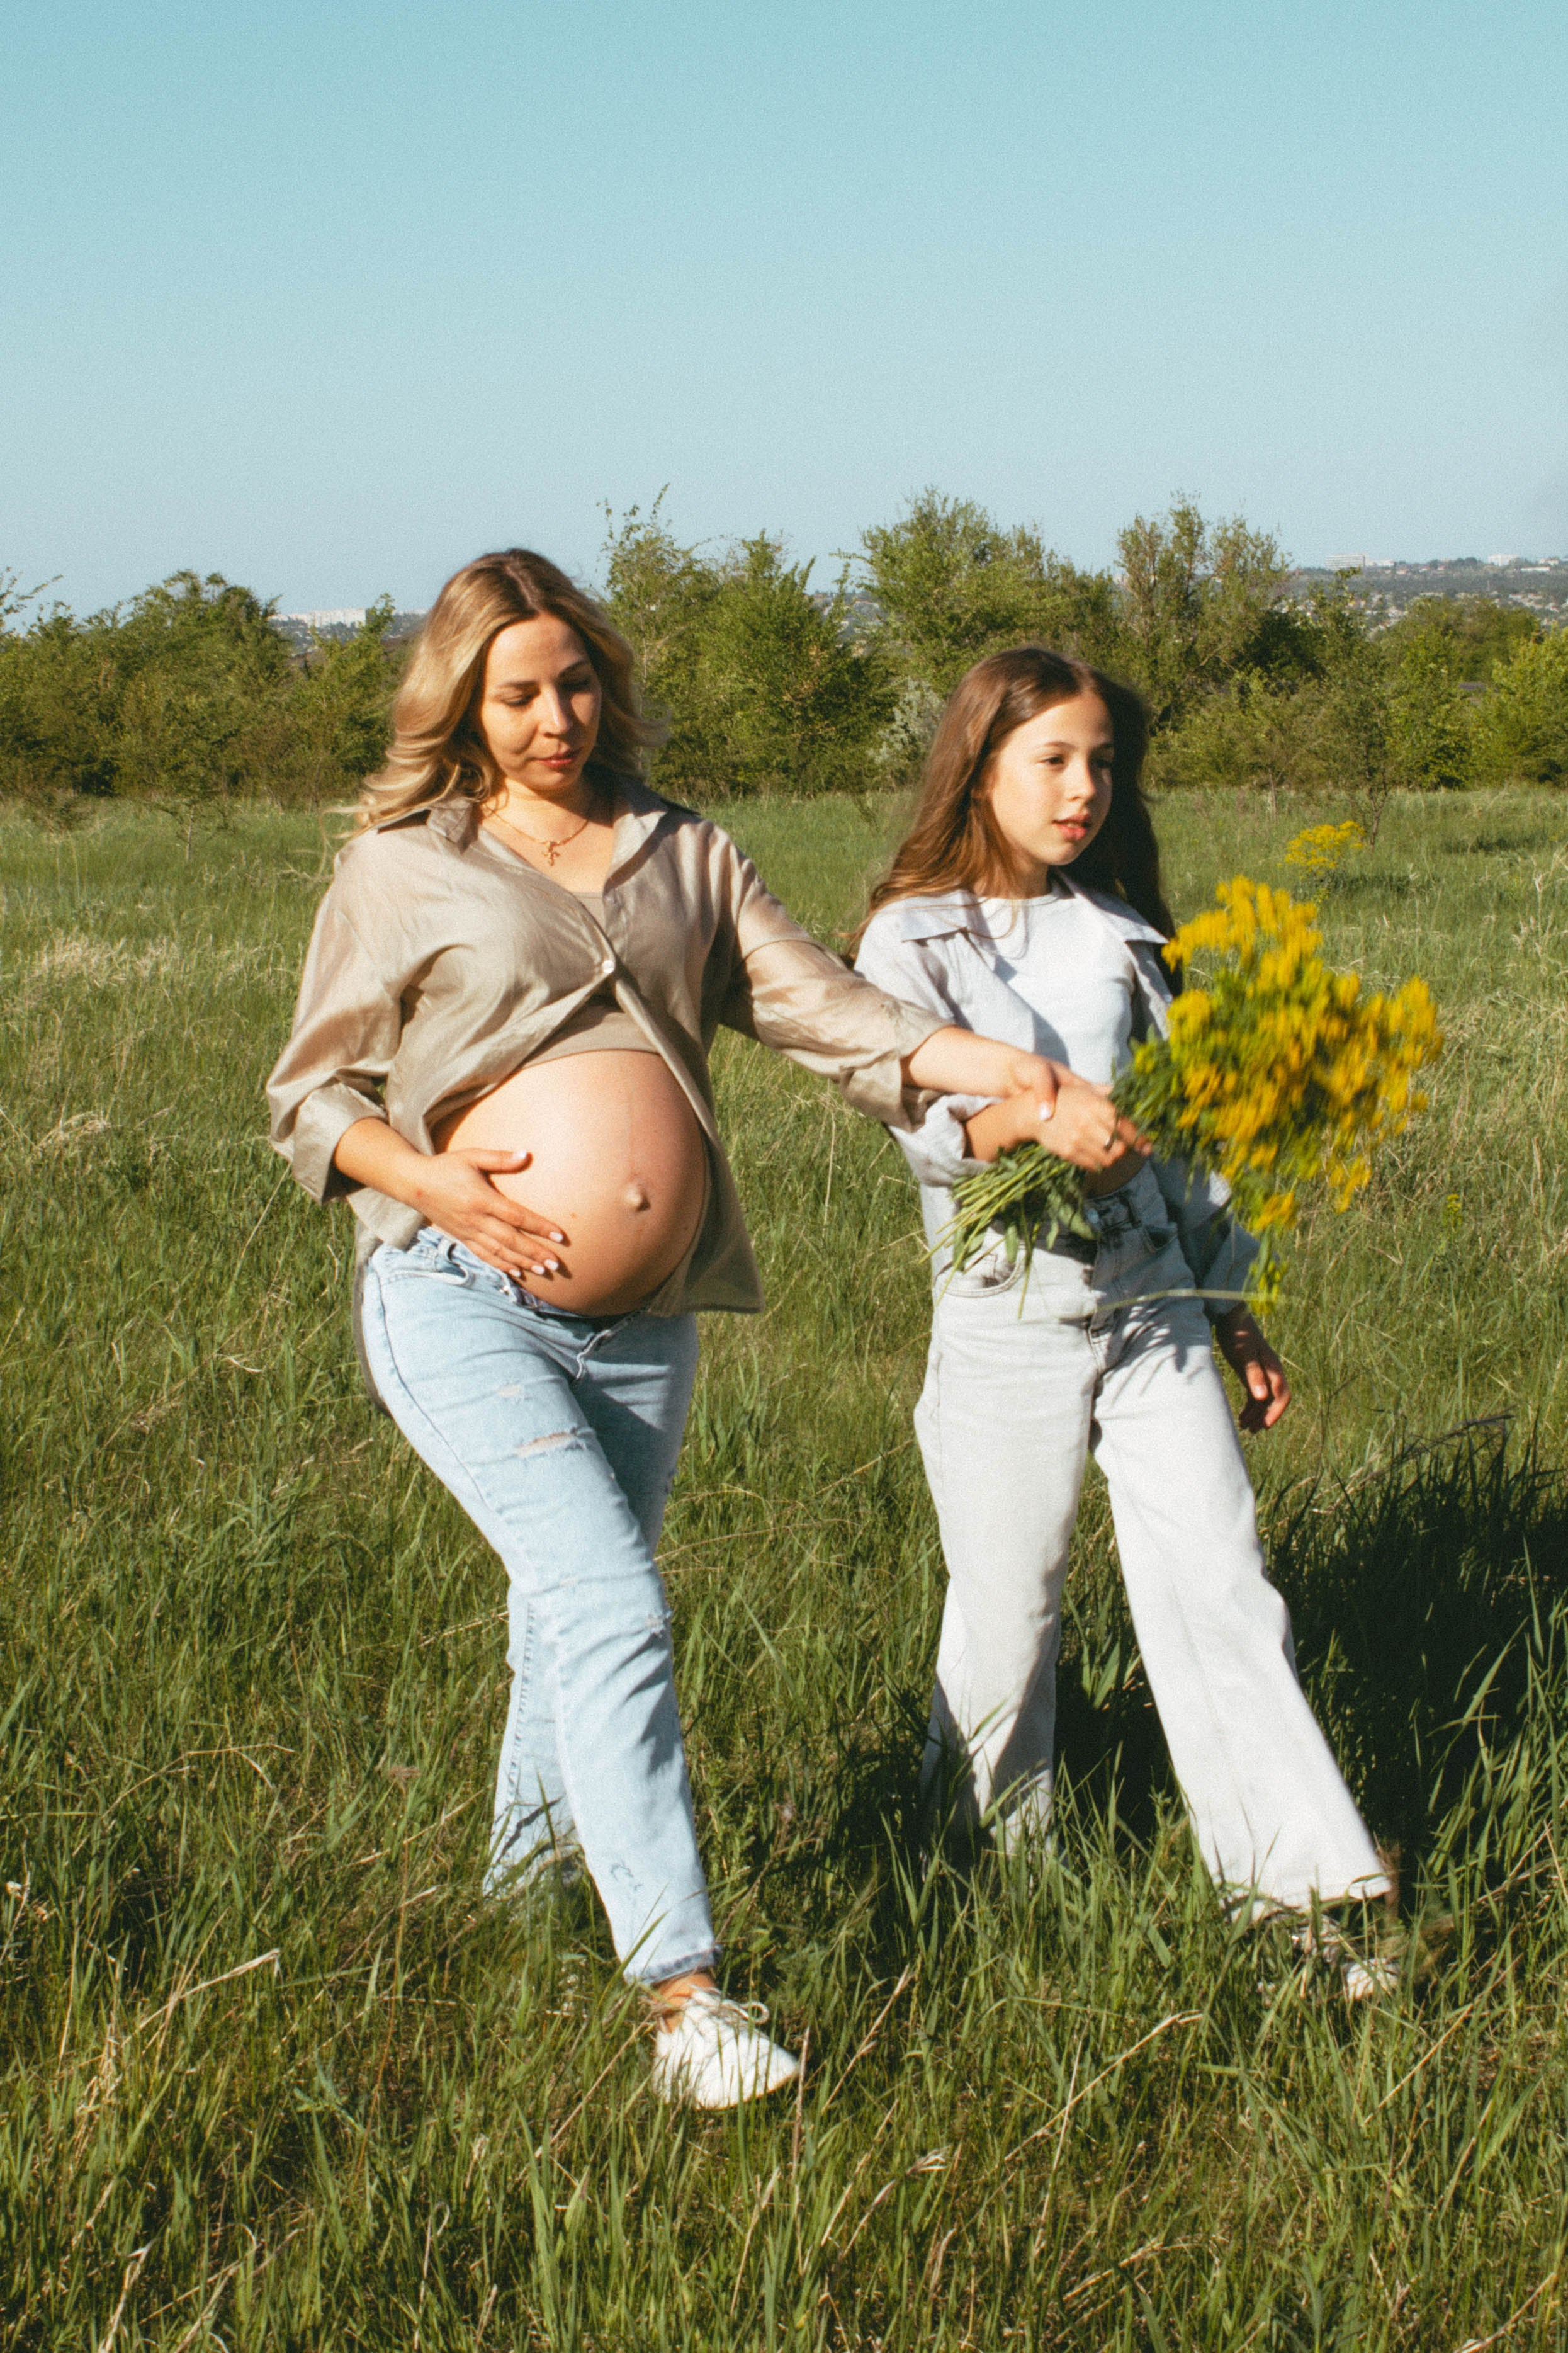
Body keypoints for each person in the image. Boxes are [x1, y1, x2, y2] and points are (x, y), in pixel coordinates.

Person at [267, 555, 1134, 2108]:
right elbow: (308, 1098)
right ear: (463, 699)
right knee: (612, 1604)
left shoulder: (685, 854)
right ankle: (684, 1996)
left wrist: (1017, 1081)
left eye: (575, 682)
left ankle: (517, 1910)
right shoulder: (404, 866)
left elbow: (831, 1015)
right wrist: (436, 1185)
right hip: (455, 1296)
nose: (553, 717)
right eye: (517, 691)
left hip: (641, 1327)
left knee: (568, 1618)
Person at [854, 646, 1394, 1983]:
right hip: (1004, 1308)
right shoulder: (907, 935)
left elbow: (1194, 1146)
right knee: (1008, 1604)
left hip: (1153, 1304)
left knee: (1220, 1580)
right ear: (978, 765)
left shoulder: (1124, 931)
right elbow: (913, 1115)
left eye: (1102, 763)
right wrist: (1024, 1121)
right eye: (1051, 760)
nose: (1083, 788)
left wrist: (1237, 1311)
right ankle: (978, 1868)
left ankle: (1302, 1899)